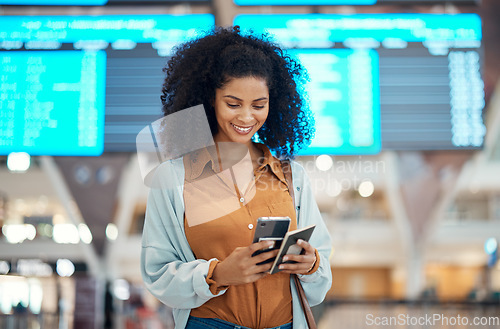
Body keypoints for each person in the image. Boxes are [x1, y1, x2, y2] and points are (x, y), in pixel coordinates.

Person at [140, 26, 332, 329]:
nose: (246, 117)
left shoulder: (291, 176)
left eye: (259, 105)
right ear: (208, 100)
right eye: (233, 104)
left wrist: (312, 265)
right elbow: (157, 274)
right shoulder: (174, 178)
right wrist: (217, 274)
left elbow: (322, 269)